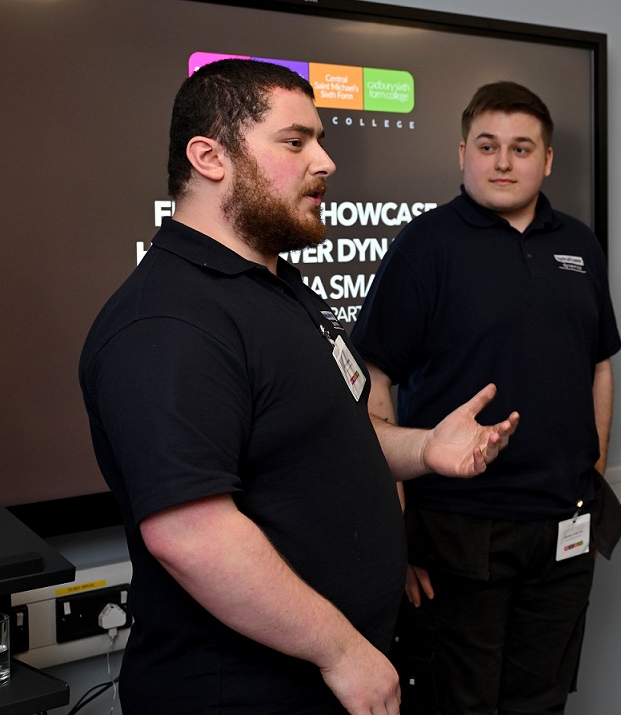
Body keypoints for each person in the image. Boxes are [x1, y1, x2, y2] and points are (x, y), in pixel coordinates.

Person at [79, 58, 518, 715]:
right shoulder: (167, 320)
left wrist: (423, 448)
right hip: (242, 694)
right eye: (295, 141)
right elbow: (192, 534)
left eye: (320, 139)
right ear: (209, 157)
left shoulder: (276, 288)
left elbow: (330, 436)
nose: (325, 161)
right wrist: (341, 652)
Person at [350, 81, 621, 714]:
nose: (503, 162)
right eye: (488, 145)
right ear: (462, 153)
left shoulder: (578, 244)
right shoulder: (425, 245)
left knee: (541, 703)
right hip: (456, 535)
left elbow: (599, 368)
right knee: (459, 705)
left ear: (547, 160)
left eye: (521, 148)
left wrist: (595, 472)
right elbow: (375, 382)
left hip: (563, 531)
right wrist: (399, 536)